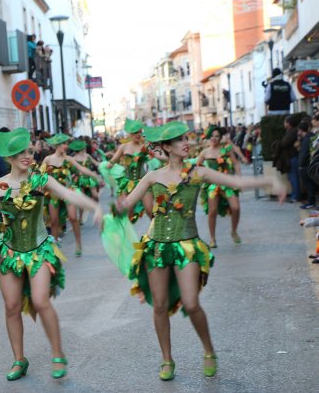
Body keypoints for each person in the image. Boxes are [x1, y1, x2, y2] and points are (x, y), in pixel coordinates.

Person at [111, 122, 285, 381]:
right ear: (167, 148)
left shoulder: (198, 172)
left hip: (187, 246)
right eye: (180, 140)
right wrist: (116, 207)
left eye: (186, 138)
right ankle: (167, 359)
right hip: (156, 247)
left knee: (192, 304)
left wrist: (269, 180)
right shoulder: (152, 177)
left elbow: (235, 181)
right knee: (159, 305)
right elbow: (128, 203)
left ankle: (209, 351)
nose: (186, 143)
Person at [0, 128, 103, 380]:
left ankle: (57, 354)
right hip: (10, 254)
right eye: (19, 152)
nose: (26, 155)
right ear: (9, 158)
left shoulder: (40, 180)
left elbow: (68, 194)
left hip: (39, 251)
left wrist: (94, 207)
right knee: (12, 307)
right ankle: (18, 359)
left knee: (40, 300)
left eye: (27, 151)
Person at [42, 133, 101, 256]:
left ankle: (78, 244)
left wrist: (94, 175)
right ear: (57, 145)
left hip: (69, 191)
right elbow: (40, 175)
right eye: (64, 144)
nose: (66, 146)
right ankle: (54, 250)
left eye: (66, 144)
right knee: (53, 221)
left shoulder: (68, 159)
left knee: (73, 218)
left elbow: (82, 169)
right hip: (53, 194)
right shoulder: (48, 159)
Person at [196, 126, 242, 248]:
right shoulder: (205, 152)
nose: (214, 138)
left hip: (227, 183)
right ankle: (212, 238)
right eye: (212, 136)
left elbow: (236, 163)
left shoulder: (226, 149)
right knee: (212, 211)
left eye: (217, 136)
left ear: (220, 138)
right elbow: (196, 168)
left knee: (236, 207)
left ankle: (234, 231)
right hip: (212, 185)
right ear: (208, 137)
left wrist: (238, 177)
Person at [108, 119, 153, 223]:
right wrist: (105, 165)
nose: (138, 134)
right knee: (128, 214)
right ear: (130, 133)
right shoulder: (123, 147)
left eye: (139, 132)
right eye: (135, 132)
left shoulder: (145, 146)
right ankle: (127, 237)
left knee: (150, 210)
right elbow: (112, 161)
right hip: (127, 183)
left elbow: (157, 155)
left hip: (143, 182)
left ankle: (157, 235)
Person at [273, 115, 301, 203]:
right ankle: (295, 195)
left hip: (292, 157)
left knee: (293, 177)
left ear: (288, 123)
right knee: (292, 177)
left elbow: (284, 143)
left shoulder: (293, 131)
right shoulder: (290, 131)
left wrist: (279, 143)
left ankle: (295, 196)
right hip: (290, 157)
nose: (284, 124)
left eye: (285, 122)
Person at [298, 121, 316, 209]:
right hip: (312, 164)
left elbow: (304, 153)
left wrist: (300, 165)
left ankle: (311, 202)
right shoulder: (312, 137)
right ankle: (312, 202)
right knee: (312, 184)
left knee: (309, 185)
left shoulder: (306, 139)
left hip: (305, 166)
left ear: (301, 130)